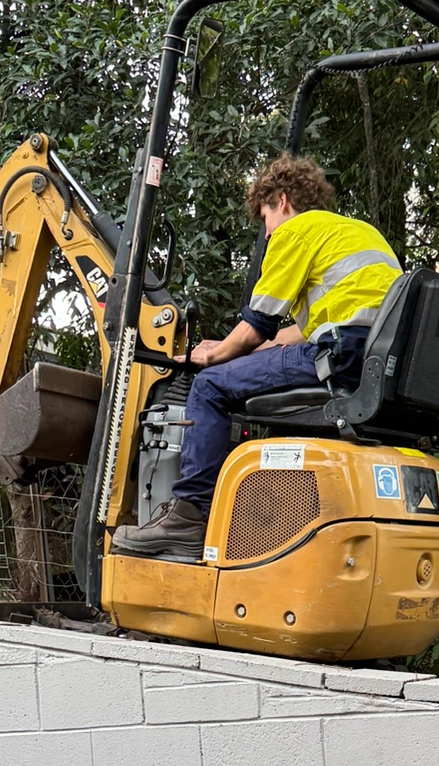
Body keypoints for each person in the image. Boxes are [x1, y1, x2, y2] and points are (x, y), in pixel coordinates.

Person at [112, 155, 402, 560]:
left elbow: (257, 326)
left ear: (281, 201)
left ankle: (187, 519)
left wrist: (215, 358)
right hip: (370, 360)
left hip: (336, 358)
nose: (266, 232)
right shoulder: (355, 234)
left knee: (210, 386)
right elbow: (292, 335)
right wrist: (229, 347)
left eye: (265, 218)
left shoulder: (297, 231)